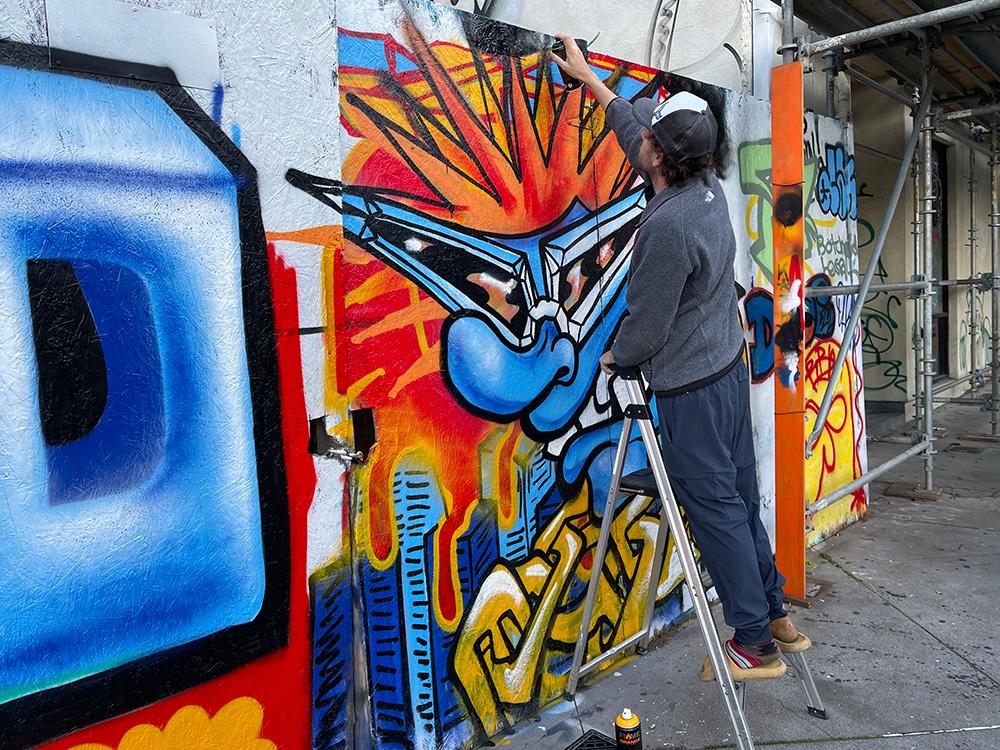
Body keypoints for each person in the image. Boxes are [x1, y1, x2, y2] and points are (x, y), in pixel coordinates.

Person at [551, 36, 810, 680]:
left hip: (691, 390)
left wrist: (609, 359)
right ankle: (774, 609)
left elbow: (647, 328)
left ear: (659, 157)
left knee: (715, 512)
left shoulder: (665, 230)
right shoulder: (704, 187)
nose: (641, 137)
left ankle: (753, 642)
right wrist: (589, 79)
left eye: (651, 138)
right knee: (741, 502)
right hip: (723, 370)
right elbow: (636, 122)